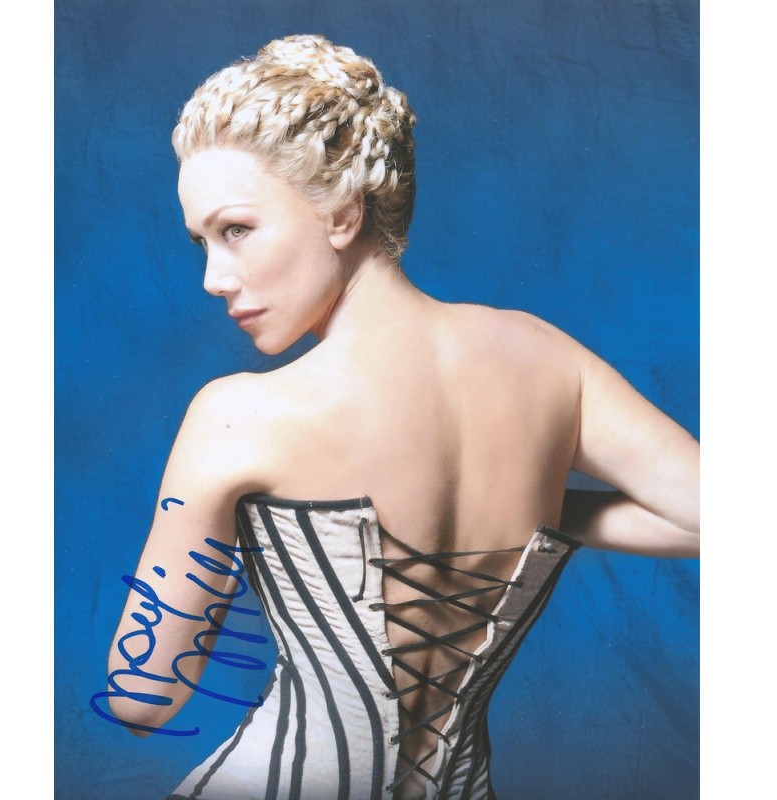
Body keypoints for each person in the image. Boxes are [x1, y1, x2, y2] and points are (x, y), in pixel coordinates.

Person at [105, 34, 699, 800]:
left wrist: (221, 536)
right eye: (202, 242)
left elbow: (140, 698)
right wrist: (539, 506)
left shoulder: (238, 416)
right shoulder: (549, 359)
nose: (214, 278)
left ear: (343, 212)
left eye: (236, 230)